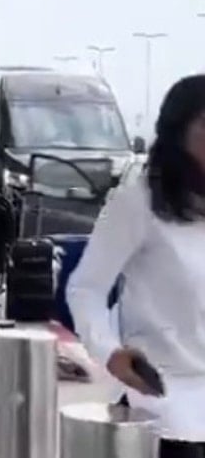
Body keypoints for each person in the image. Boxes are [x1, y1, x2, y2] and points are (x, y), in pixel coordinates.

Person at [68, 75, 205, 457]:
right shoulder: (138, 202)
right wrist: (110, 352)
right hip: (166, 403)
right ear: (178, 133)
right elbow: (86, 288)